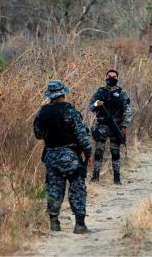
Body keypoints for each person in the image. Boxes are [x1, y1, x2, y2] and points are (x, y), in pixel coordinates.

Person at [33, 80, 92, 234]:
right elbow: (81, 135)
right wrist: (88, 153)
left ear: (50, 96)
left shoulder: (42, 112)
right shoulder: (70, 110)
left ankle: (54, 223)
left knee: (54, 189)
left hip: (51, 156)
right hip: (71, 156)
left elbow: (38, 134)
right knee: (77, 188)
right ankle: (79, 225)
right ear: (63, 94)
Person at [89, 69, 132, 185]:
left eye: (114, 76)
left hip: (116, 126)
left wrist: (124, 126)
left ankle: (117, 178)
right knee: (98, 151)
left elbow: (127, 110)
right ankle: (95, 176)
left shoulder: (122, 92)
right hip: (102, 125)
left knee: (115, 152)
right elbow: (90, 106)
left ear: (117, 79)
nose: (112, 78)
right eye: (109, 76)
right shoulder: (99, 91)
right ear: (106, 77)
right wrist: (96, 104)